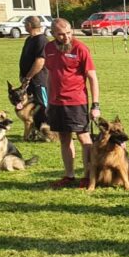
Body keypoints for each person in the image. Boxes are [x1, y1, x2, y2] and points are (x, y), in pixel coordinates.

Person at [44, 18, 101, 189]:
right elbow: (49, 75)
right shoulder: (48, 49)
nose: (66, 37)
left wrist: (95, 105)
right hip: (56, 102)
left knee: (84, 138)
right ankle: (69, 175)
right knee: (64, 138)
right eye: (61, 34)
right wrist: (48, 101)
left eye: (69, 33)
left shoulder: (81, 49)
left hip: (76, 101)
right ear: (53, 34)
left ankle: (87, 175)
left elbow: (92, 78)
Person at [18, 16, 49, 133]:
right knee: (32, 107)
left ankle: (48, 130)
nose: (24, 26)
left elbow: (40, 61)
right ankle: (35, 130)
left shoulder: (41, 40)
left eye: (25, 24)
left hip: (38, 80)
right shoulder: (29, 39)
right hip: (28, 81)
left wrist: (28, 77)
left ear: (30, 25)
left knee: (42, 106)